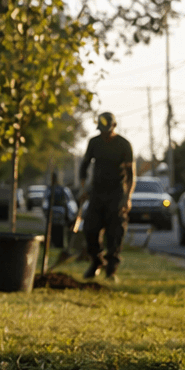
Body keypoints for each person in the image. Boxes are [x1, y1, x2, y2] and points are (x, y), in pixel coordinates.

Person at [78, 111, 135, 280]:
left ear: (114, 127)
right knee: (90, 229)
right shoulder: (94, 143)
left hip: (116, 193)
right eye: (101, 131)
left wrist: (127, 197)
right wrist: (83, 188)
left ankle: (111, 269)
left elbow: (131, 174)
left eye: (107, 131)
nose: (104, 134)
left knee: (115, 232)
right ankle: (96, 261)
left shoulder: (124, 144)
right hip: (97, 192)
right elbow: (84, 167)